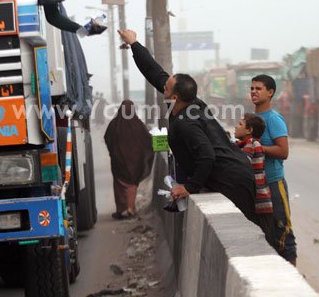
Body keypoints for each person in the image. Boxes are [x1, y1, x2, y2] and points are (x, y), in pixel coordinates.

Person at [117, 29, 259, 225]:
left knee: (243, 231)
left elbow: (207, 155)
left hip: (234, 180)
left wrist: (189, 188)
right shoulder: (188, 101)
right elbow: (155, 72)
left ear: (174, 97)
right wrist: (134, 44)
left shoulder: (186, 123)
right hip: (230, 171)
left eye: (166, 87)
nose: (162, 86)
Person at [251, 74, 297, 265]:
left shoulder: (274, 119)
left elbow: (283, 151)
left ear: (270, 93)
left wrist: (258, 148)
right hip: (257, 186)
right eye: (252, 88)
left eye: (258, 88)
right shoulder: (252, 119)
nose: (253, 92)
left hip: (273, 183)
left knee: (282, 231)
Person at [104, 100, 155, 219]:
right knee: (132, 184)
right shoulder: (138, 124)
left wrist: (114, 152)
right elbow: (147, 139)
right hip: (135, 162)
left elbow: (107, 138)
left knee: (119, 185)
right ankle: (130, 208)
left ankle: (120, 209)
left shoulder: (114, 124)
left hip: (118, 161)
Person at [234, 113, 276, 247]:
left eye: (240, 124)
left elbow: (243, 164)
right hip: (259, 203)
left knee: (264, 243)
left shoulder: (251, 144)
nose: (236, 126)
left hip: (260, 203)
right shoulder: (247, 144)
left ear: (249, 130)